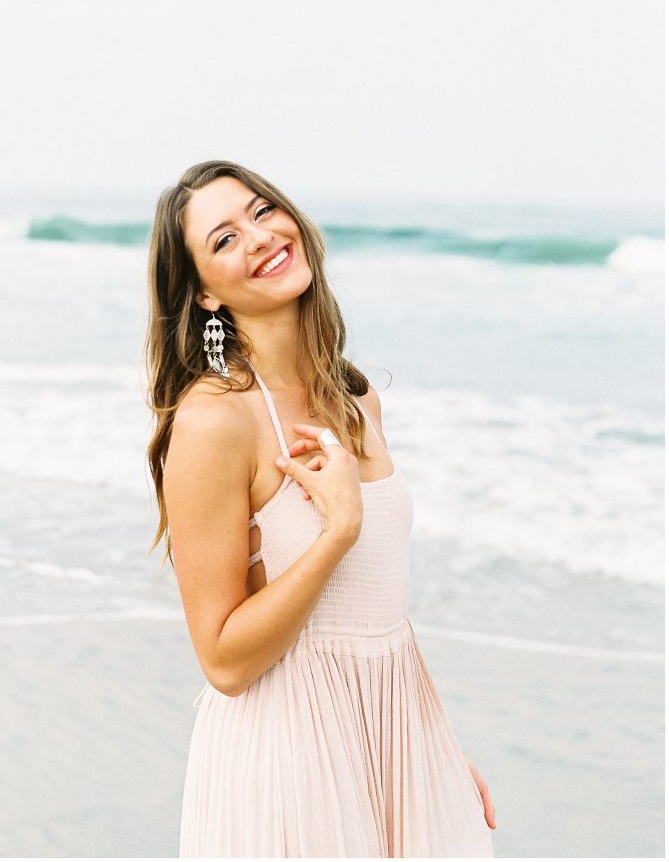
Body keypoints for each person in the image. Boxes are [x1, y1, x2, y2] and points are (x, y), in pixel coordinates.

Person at [143, 160, 496, 857]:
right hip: (288, 753)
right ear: (205, 296)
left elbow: (376, 608)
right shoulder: (215, 422)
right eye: (222, 239)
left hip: (393, 738)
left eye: (261, 210)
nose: (258, 236)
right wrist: (335, 531)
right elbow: (224, 662)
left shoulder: (356, 398)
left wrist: (435, 749)